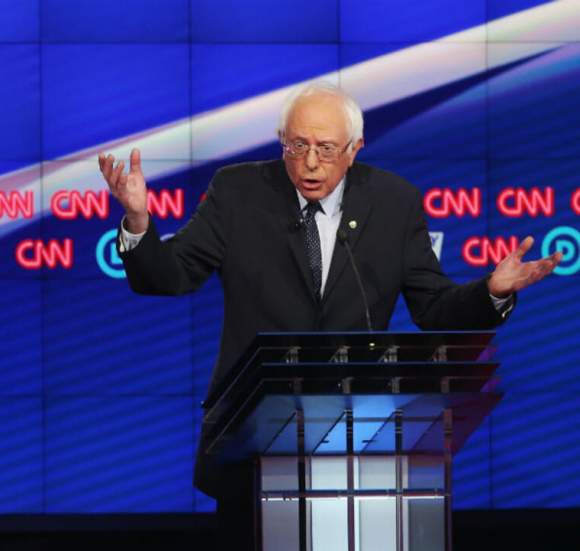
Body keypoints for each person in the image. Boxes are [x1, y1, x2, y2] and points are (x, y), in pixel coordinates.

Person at [98, 82, 562, 547]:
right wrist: (139, 223)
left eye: (325, 148)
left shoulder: (394, 202)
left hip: (359, 442)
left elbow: (433, 307)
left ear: (355, 149)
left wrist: (491, 292)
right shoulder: (238, 193)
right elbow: (169, 276)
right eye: (297, 146)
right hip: (253, 444)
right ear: (283, 141)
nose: (311, 162)